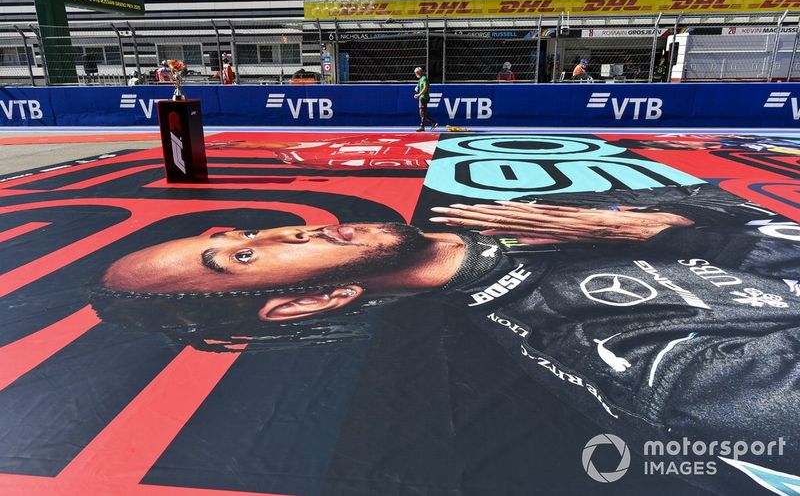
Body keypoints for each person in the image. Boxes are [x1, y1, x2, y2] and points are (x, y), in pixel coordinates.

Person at [93, 183, 800, 493]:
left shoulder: (540, 214)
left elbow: (741, 210)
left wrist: (681, 221)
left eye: (240, 234)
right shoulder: (630, 358)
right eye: (245, 259)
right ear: (313, 299)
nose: (283, 230)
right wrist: (714, 241)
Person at [413, 67, 437, 132]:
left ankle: (424, 125)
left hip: (424, 97)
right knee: (422, 113)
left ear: (418, 73)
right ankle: (430, 123)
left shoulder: (424, 79)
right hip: (422, 97)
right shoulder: (421, 79)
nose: (416, 75)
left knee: (422, 112)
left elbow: (425, 88)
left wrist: (419, 94)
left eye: (416, 73)